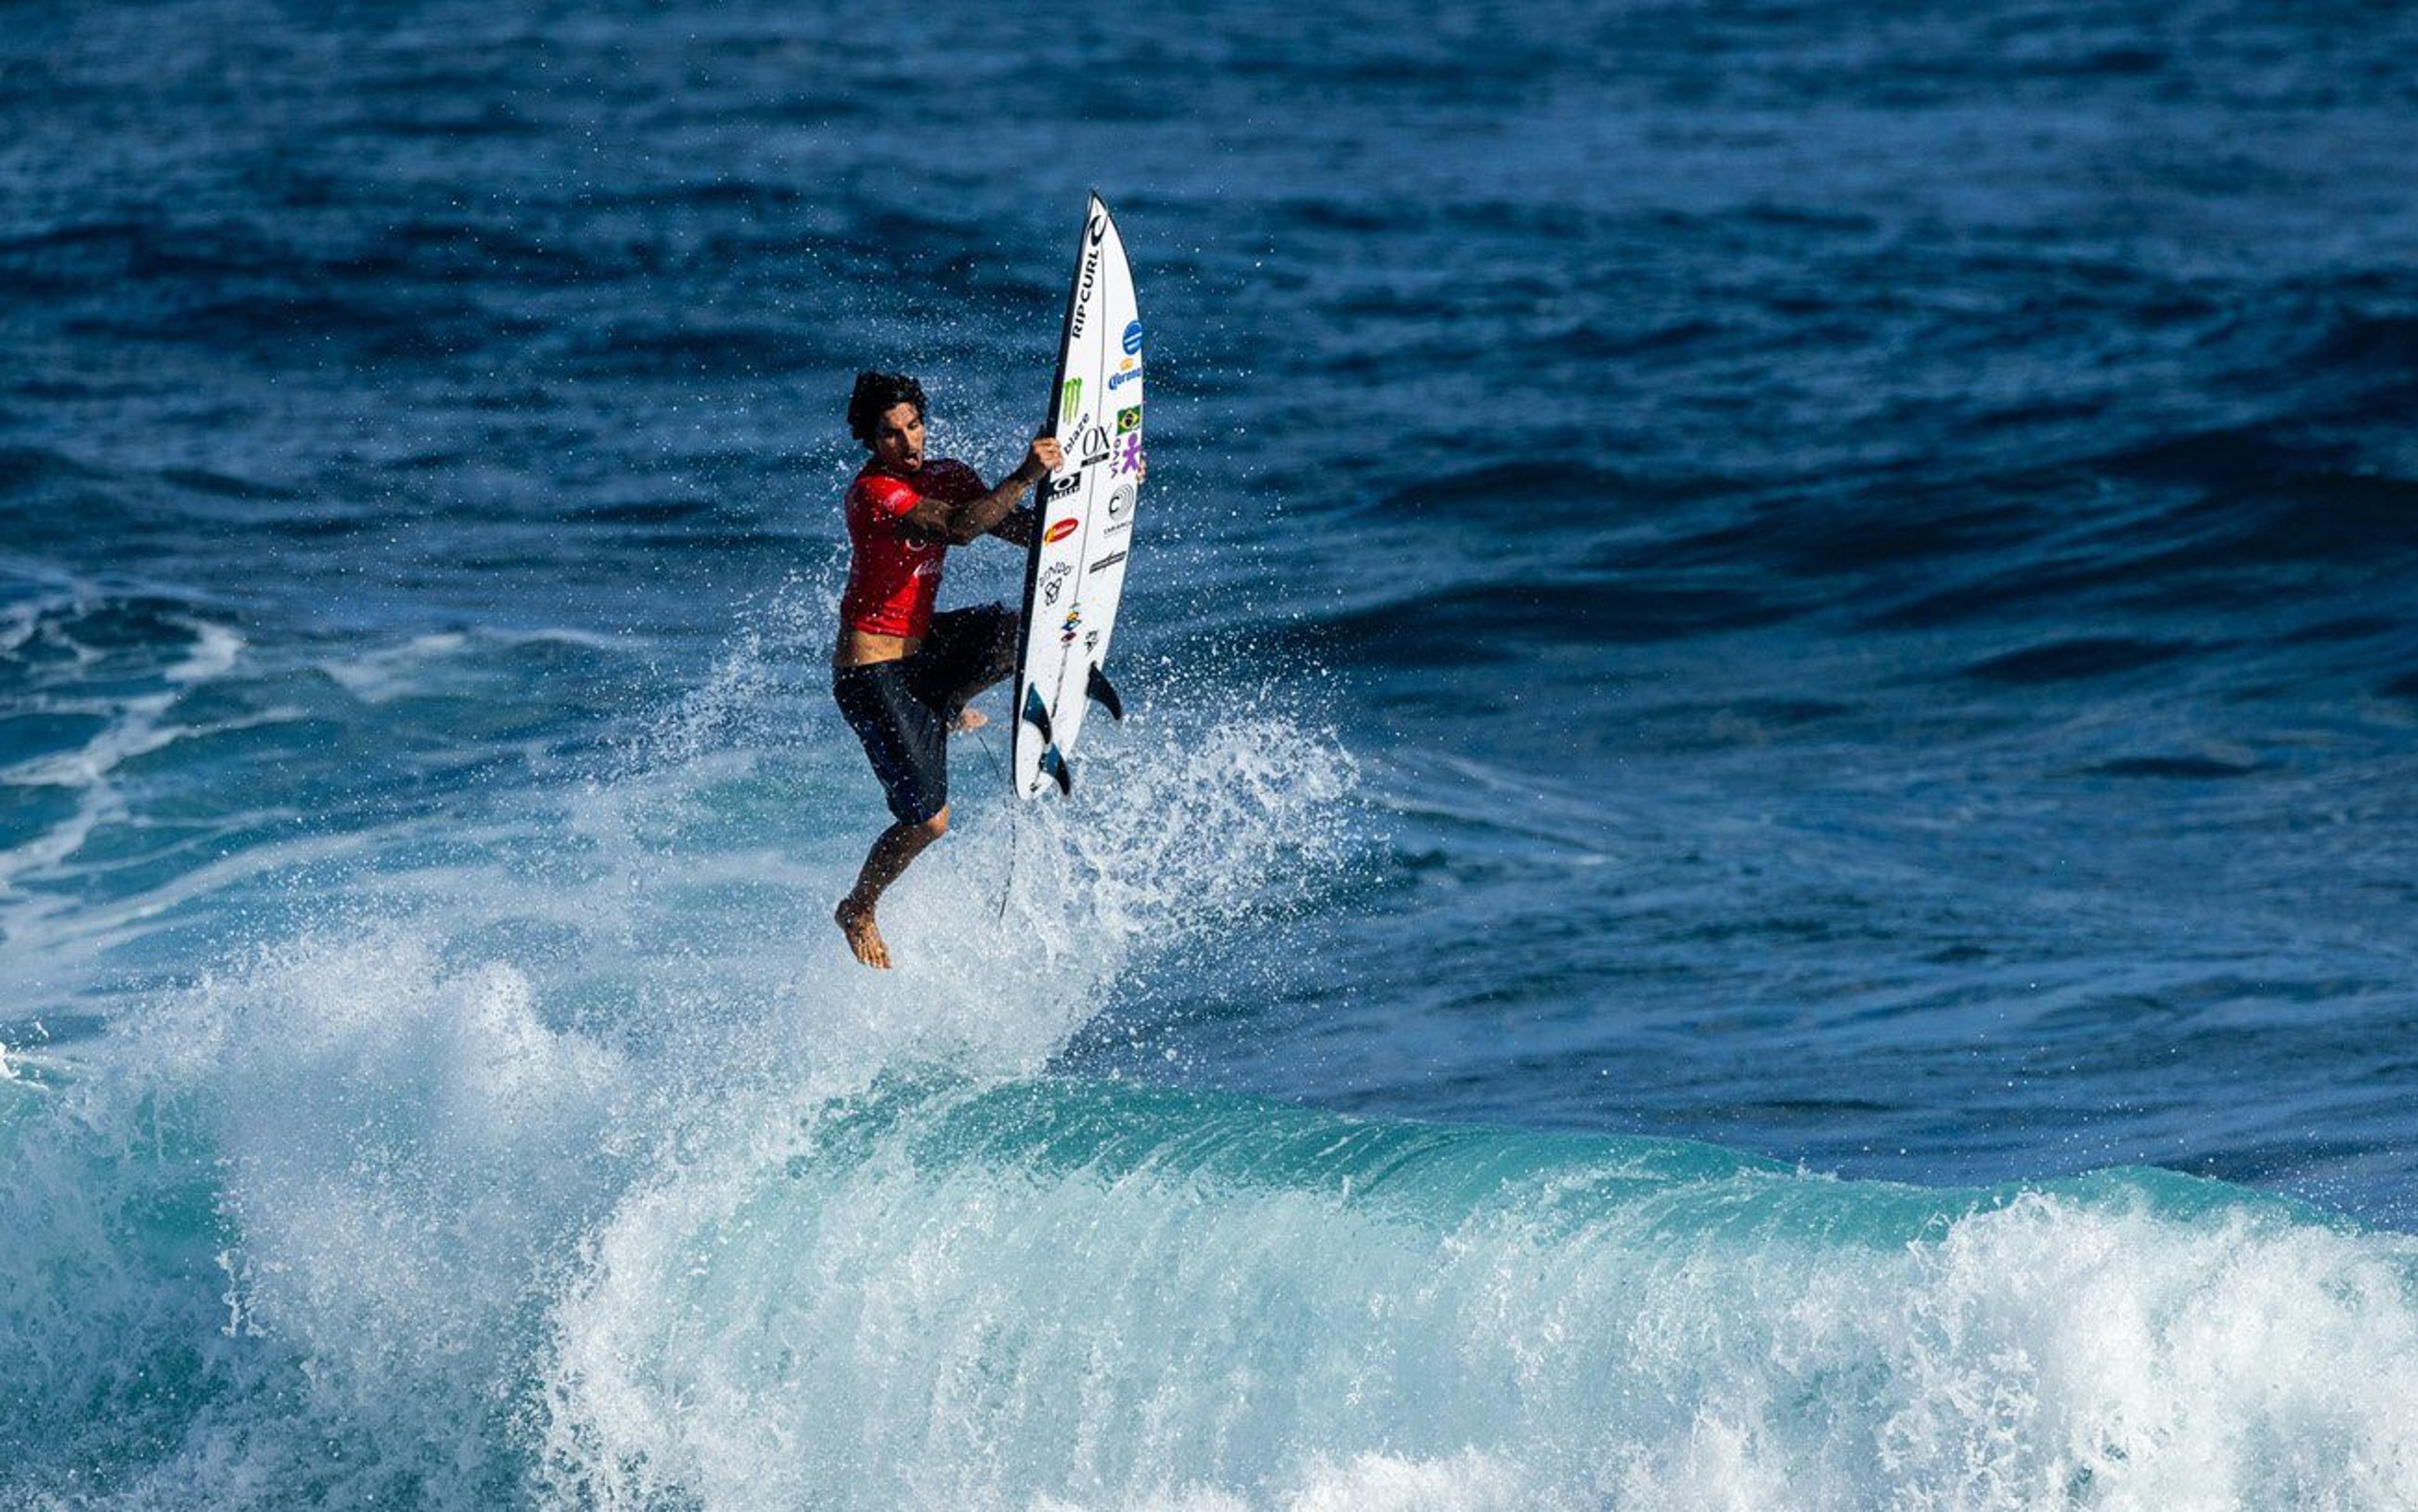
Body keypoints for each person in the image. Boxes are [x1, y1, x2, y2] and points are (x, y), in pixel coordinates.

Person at [830, 370, 1060, 969]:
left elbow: (1012, 527)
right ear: (869, 441)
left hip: (922, 653)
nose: (909, 443)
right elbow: (959, 530)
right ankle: (858, 906)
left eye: (914, 425)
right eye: (890, 435)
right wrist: (1025, 475)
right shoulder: (875, 494)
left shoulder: (947, 475)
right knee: (930, 822)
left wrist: (1090, 492)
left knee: (1015, 632)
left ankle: (946, 702)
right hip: (872, 677)